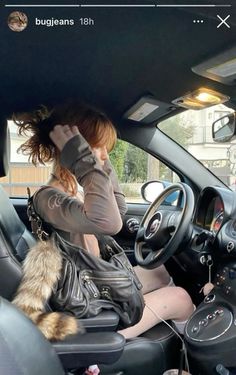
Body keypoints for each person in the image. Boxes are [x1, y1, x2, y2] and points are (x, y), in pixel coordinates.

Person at [14, 101, 194, 340]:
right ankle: (189, 353)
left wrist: (103, 164)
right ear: (74, 150)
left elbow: (118, 209)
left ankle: (167, 330)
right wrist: (85, 163)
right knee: (179, 298)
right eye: (96, 148)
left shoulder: (73, 191)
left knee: (159, 272)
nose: (102, 155)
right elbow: (110, 223)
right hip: (86, 304)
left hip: (94, 280)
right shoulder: (49, 198)